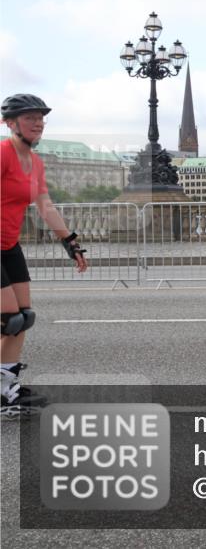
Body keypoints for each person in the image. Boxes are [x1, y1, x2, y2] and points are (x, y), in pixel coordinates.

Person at [1, 94, 87, 418]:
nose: (37, 123)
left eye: (40, 118)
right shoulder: (3, 154)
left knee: (22, 317)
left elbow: (45, 206)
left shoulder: (36, 162)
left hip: (8, 246)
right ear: (9, 123)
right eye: (29, 118)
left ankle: (6, 390)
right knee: (8, 318)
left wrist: (70, 243)